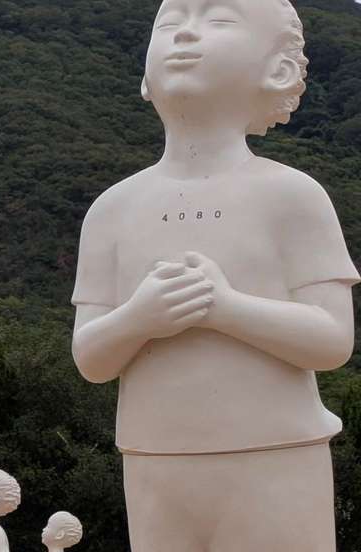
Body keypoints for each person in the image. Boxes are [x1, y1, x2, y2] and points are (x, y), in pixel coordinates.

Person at [70, 1, 360, 550]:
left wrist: (224, 307)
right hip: (153, 457)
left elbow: (331, 339)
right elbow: (91, 358)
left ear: (278, 69)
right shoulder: (111, 209)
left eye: (218, 20)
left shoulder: (292, 195)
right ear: (145, 76)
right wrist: (140, 317)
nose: (185, 34)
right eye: (169, 22)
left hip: (275, 453)